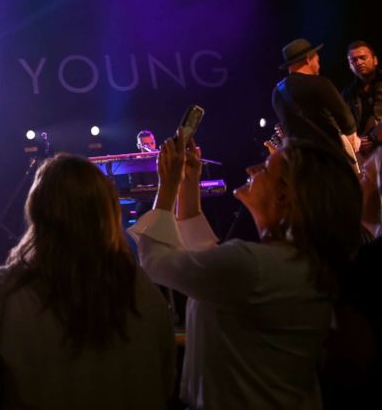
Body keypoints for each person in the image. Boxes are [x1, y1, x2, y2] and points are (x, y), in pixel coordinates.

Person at [129, 133, 363, 410]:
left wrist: (167, 184)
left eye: (265, 168)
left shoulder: (256, 267)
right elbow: (210, 261)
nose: (251, 169)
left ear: (283, 196)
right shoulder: (291, 263)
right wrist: (188, 183)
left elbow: (156, 261)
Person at [0, 154, 175, 410]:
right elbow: (166, 384)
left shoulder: (1, 293)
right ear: (108, 212)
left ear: (36, 210)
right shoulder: (142, 289)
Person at [271, 38, 358, 163]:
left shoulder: (277, 93)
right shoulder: (319, 83)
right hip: (328, 157)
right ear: (308, 59)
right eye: (317, 60)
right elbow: (343, 114)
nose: (319, 65)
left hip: (301, 162)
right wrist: (351, 132)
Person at [342, 40, 381, 159]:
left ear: (375, 60)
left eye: (363, 58)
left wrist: (375, 137)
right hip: (366, 155)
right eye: (353, 60)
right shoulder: (348, 93)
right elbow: (342, 123)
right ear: (349, 65)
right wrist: (356, 141)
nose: (358, 62)